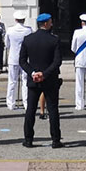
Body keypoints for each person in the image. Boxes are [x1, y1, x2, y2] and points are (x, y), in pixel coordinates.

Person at [20, 13, 64, 148]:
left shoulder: (28, 39)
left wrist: (33, 73)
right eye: (50, 22)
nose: (52, 24)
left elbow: (22, 61)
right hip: (49, 79)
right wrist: (44, 74)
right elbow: (57, 61)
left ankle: (28, 139)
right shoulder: (54, 40)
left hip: (34, 80)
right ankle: (55, 140)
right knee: (53, 109)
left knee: (30, 110)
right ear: (45, 24)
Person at [5, 10, 33, 110]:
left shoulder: (10, 30)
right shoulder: (28, 30)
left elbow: (7, 44)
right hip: (25, 59)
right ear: (24, 20)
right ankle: (26, 103)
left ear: (15, 19)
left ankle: (10, 104)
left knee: (12, 81)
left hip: (13, 58)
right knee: (25, 81)